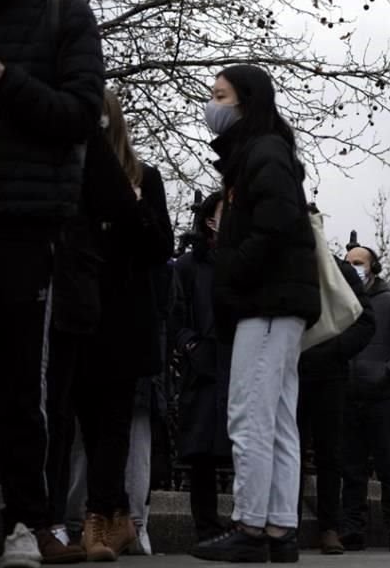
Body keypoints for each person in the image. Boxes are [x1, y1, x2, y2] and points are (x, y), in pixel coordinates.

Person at [0, 0, 104, 565]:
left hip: (24, 221)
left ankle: (29, 521)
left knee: (17, 379)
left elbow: (82, 115)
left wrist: (5, 78)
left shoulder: (62, 12)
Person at [191, 65, 319, 564]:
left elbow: (274, 225)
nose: (211, 104)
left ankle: (249, 524)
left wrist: (232, 274)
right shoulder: (268, 152)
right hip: (279, 304)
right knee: (279, 419)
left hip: (266, 303)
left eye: (219, 95)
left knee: (249, 416)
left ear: (245, 100)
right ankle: (279, 529)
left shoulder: (260, 154)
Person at [73, 90, 174, 562]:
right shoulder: (72, 175)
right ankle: (113, 516)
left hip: (125, 317)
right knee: (86, 420)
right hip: (81, 310)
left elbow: (160, 249)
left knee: (113, 418)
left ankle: (100, 517)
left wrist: (134, 209)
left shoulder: (144, 177)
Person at [340, 246, 390, 553]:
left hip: (384, 395)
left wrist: (387, 373)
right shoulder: (340, 302)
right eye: (348, 263)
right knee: (352, 466)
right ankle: (352, 528)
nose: (353, 267)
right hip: (349, 395)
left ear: (373, 267)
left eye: (358, 262)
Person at [297, 254, 374, 555]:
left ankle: (330, 527)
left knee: (331, 453)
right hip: (293, 369)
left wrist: (336, 349)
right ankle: (286, 521)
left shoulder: (338, 270)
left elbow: (365, 320)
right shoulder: (287, 260)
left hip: (330, 374)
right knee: (292, 450)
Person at [170, 192, 234, 542]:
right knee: (202, 453)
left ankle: (244, 522)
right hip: (205, 364)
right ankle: (206, 525)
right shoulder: (189, 266)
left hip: (239, 362)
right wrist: (190, 345)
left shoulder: (244, 262)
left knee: (243, 446)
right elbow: (175, 315)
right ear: (210, 219)